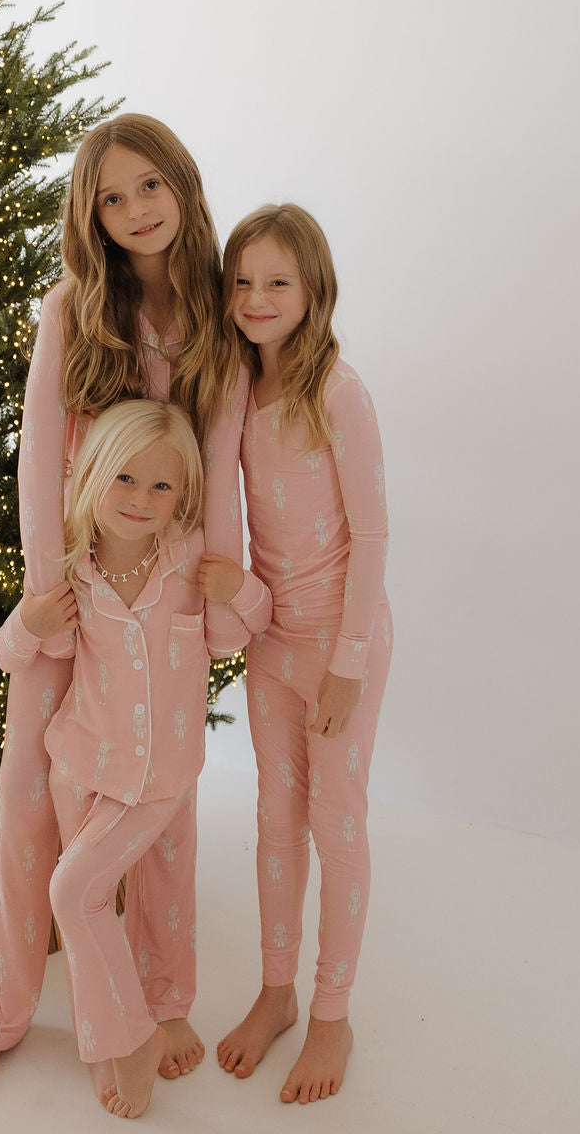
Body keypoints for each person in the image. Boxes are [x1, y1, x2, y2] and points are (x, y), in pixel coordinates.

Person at [0, 114, 251, 1099]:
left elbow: (227, 459)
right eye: (110, 198)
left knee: (163, 813)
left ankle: (161, 1003)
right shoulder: (71, 307)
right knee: (28, 812)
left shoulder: (216, 310)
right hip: (72, 592)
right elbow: (44, 452)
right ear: (93, 215)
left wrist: (211, 582)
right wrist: (46, 596)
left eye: (147, 188)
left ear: (182, 187)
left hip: (164, 600)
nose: (133, 212)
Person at [200, 204, 392, 1105]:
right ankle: (277, 993)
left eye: (277, 281)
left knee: (335, 820)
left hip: (336, 644)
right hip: (272, 641)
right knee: (276, 819)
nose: (256, 297)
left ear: (312, 288)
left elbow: (372, 532)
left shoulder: (336, 391)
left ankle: (332, 1013)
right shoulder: (239, 387)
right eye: (242, 281)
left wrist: (348, 662)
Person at [31, 398, 269, 1117]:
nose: (140, 500)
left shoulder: (192, 558)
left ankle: (145, 1028)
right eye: (126, 480)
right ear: (95, 476)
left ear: (184, 496)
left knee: (87, 892)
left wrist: (244, 590)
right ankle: (109, 1042)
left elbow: (240, 633)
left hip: (161, 775)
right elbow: (22, 649)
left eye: (161, 487)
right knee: (86, 903)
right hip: (81, 762)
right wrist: (28, 625)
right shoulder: (74, 568)